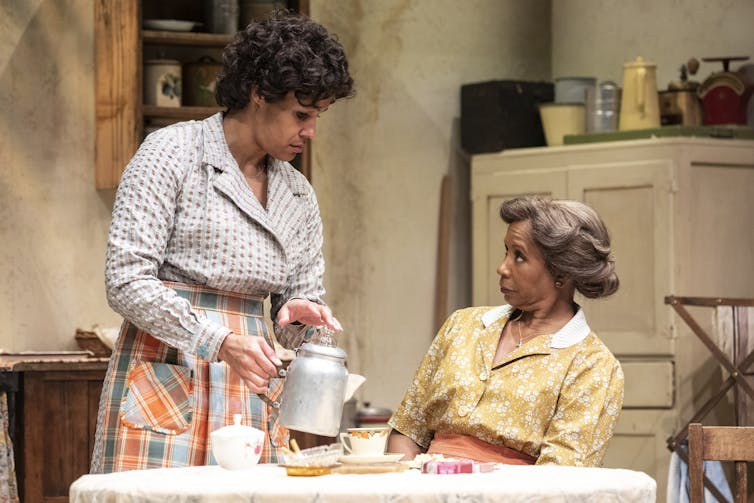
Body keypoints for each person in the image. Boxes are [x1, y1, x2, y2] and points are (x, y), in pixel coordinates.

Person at [90, 10, 354, 473]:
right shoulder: (171, 154)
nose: (311, 131)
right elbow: (126, 280)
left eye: (319, 116)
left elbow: (293, 318)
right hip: (168, 377)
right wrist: (219, 339)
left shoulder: (297, 194)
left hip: (249, 387)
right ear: (258, 93)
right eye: (301, 114)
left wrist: (300, 319)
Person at [388, 195, 624, 467]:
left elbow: (561, 481)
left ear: (562, 272)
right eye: (506, 252)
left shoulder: (593, 365)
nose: (502, 267)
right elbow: (407, 430)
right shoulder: (462, 325)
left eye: (519, 256)